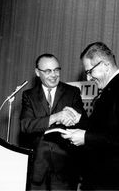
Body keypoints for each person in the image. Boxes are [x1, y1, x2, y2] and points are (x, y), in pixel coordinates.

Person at [62, 42, 119, 190]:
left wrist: (86, 138)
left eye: (90, 72)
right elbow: (103, 130)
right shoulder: (110, 90)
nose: (88, 78)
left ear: (106, 65)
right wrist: (79, 119)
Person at [20, 53, 87, 190]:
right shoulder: (29, 95)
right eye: (48, 71)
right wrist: (55, 117)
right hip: (37, 168)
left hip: (65, 168)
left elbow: (83, 122)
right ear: (38, 73)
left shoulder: (72, 92)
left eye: (56, 70)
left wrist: (73, 120)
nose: (54, 75)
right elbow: (26, 125)